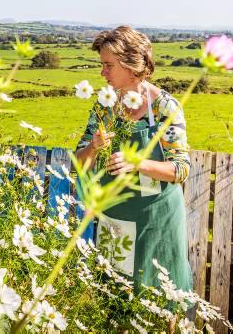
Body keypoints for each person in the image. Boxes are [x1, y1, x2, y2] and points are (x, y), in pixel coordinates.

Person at [75, 25, 193, 299]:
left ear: (132, 65)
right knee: (114, 298)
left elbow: (181, 169)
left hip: (157, 221)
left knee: (160, 299)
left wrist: (137, 162)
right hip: (115, 219)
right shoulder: (104, 105)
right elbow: (79, 162)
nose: (102, 72)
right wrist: (93, 147)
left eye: (108, 65)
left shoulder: (164, 107)